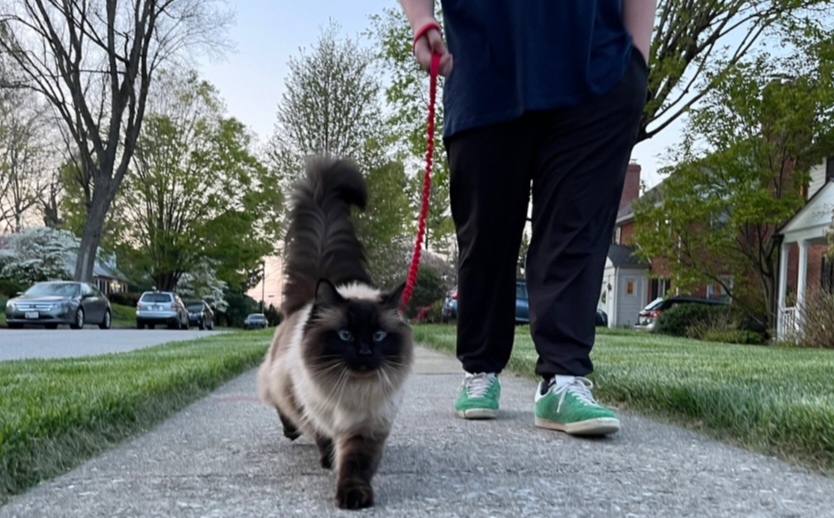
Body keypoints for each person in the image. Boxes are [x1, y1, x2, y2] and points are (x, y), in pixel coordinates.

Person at [399, 0, 656, 435]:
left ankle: (564, 376)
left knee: (575, 232)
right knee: (485, 234)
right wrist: (421, 18)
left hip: (599, 66)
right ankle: (480, 367)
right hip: (482, 62)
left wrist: (636, 60)